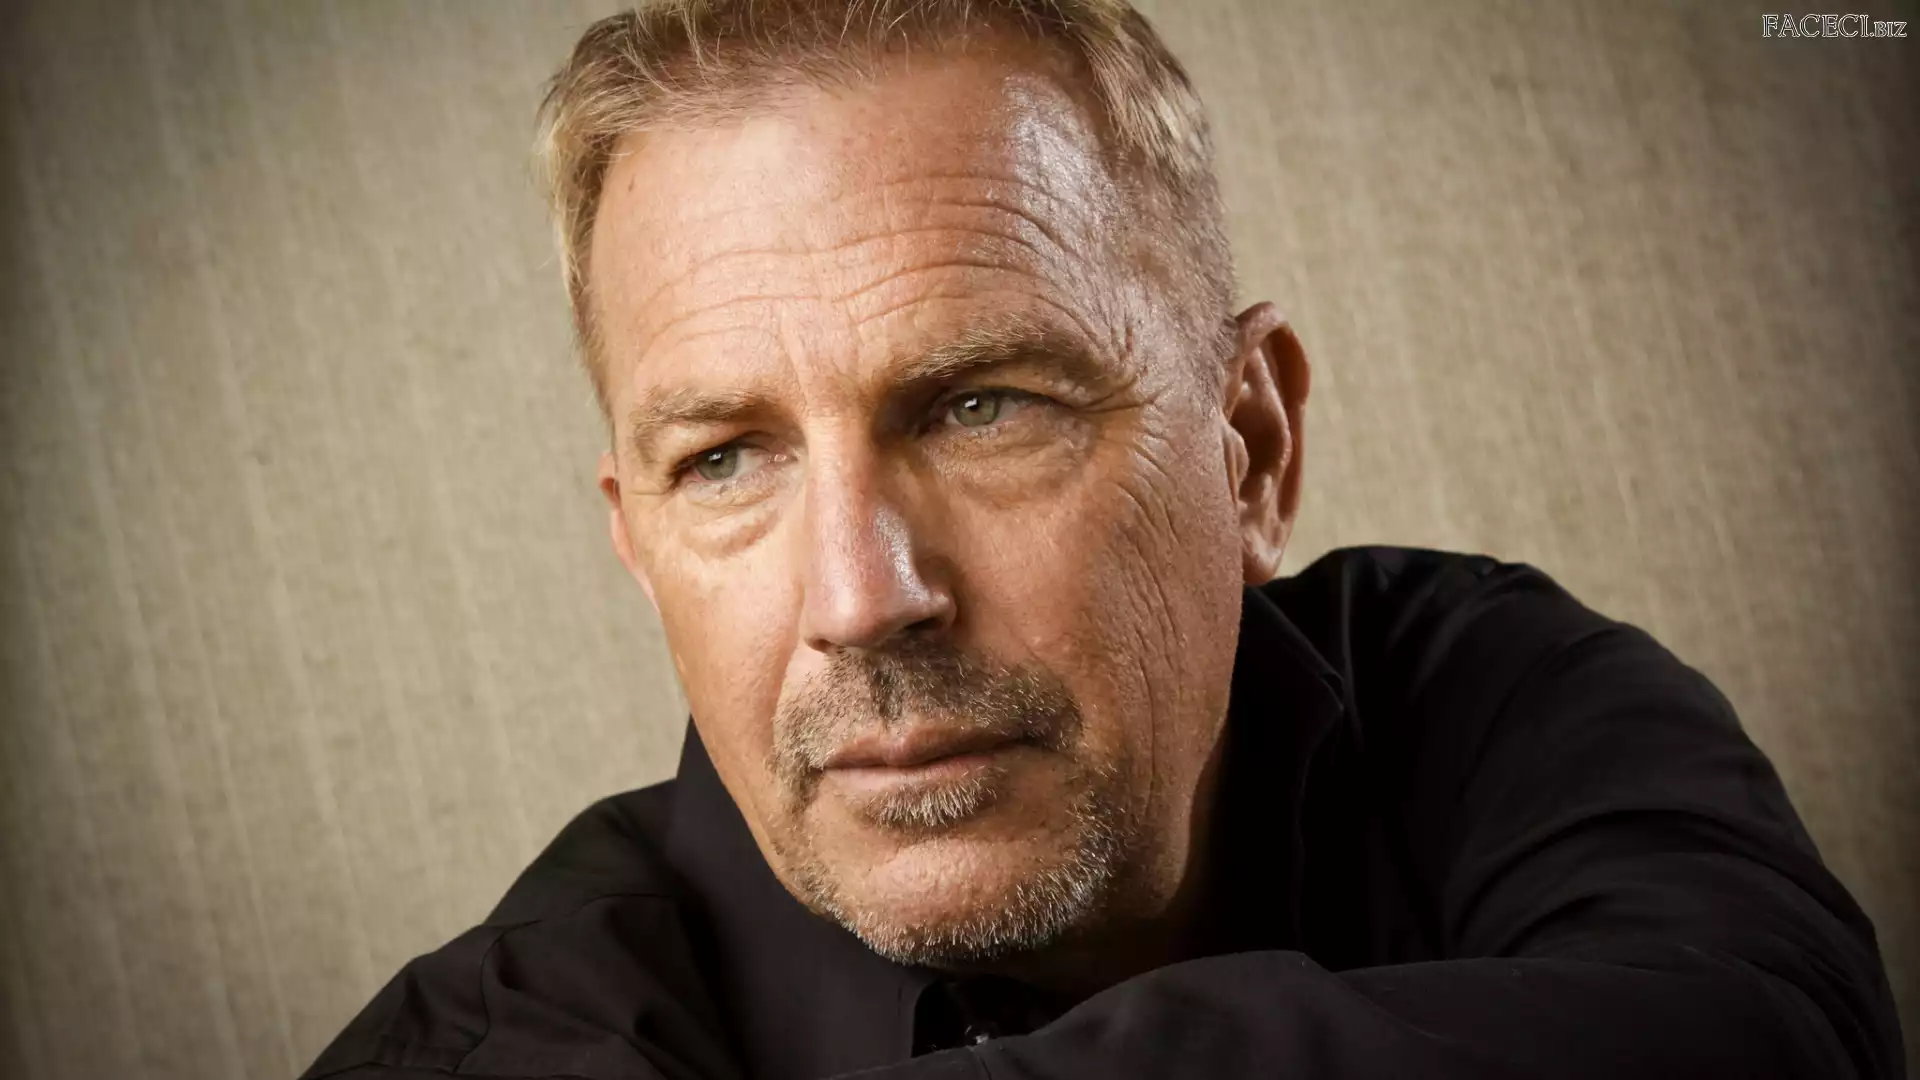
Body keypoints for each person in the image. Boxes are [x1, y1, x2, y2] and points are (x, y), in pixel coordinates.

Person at [301, 2, 1904, 1077]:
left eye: (981, 407)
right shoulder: (498, 1044)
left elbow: (1780, 1036)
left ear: (1250, 447)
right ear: (640, 542)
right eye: (725, 460)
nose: (861, 597)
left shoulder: (1477, 692)